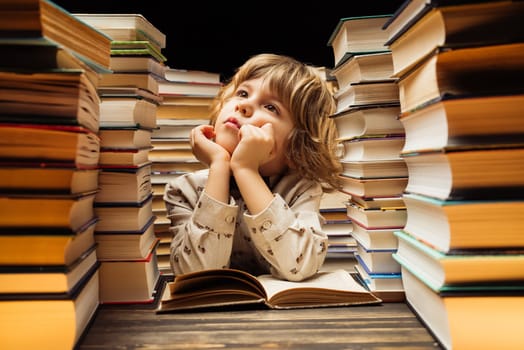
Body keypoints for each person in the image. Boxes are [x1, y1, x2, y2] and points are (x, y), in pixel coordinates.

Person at [164, 53, 342, 281]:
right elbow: (196, 275)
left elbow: (300, 266)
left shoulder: (300, 190)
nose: (244, 105)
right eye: (243, 93)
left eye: (270, 107)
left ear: (296, 149)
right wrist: (219, 165)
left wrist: (246, 170)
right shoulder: (183, 190)